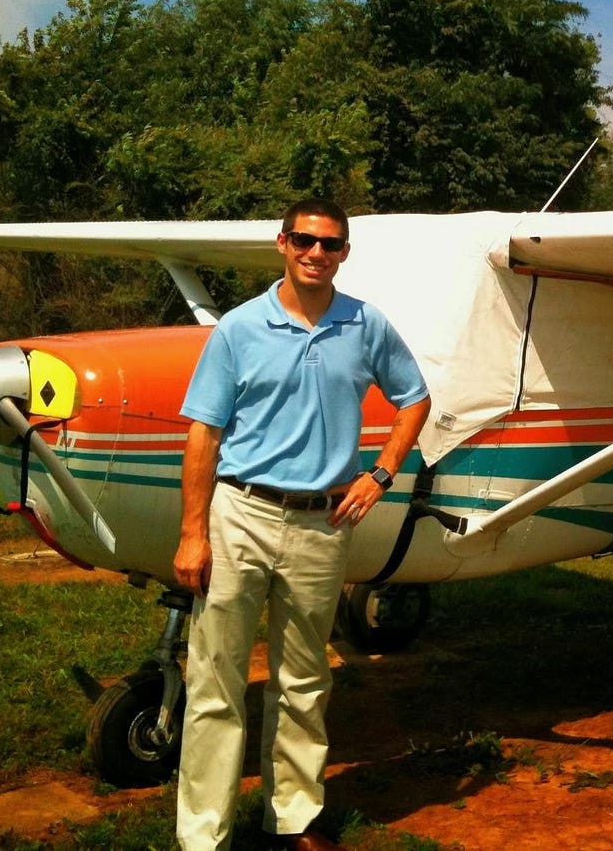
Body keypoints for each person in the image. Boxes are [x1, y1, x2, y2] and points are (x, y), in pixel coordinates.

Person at [172, 198, 431, 851]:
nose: (318, 253)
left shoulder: (366, 325)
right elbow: (203, 433)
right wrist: (192, 533)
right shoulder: (238, 328)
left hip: (323, 523)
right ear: (282, 244)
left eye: (332, 244)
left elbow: (414, 397)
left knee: (305, 679)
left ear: (344, 253)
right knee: (216, 678)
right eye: (305, 241)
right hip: (241, 513)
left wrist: (381, 473)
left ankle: (292, 819)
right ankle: (204, 835)